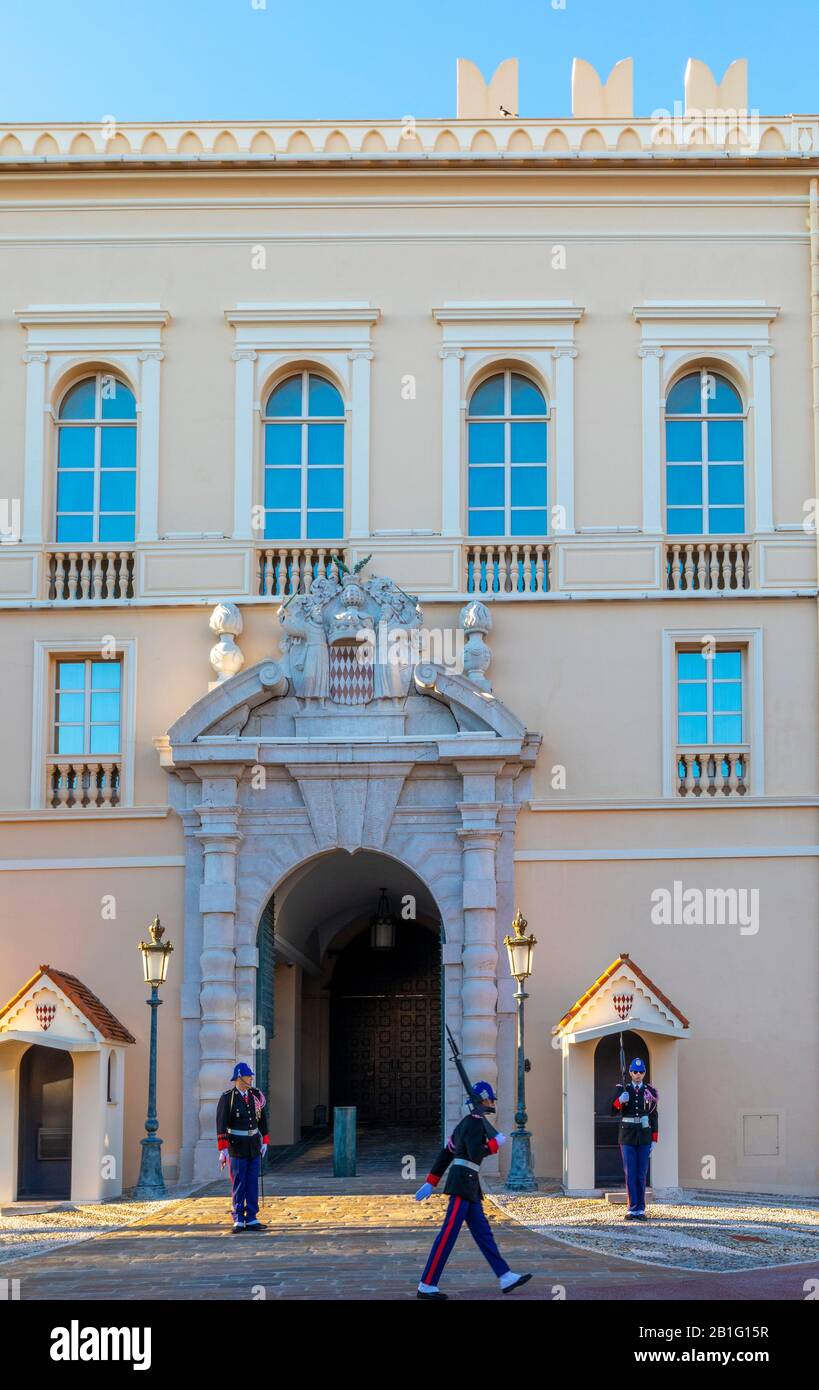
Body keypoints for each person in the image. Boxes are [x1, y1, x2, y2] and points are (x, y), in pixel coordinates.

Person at [414, 1081, 533, 1299]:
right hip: (462, 1183)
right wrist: (494, 1144)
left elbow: (446, 1153)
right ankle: (427, 1283)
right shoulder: (474, 1124)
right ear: (483, 1100)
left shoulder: (464, 1124)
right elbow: (474, 1153)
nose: (491, 1102)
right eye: (489, 1099)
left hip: (468, 1184)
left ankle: (505, 1275)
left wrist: (432, 1181)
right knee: (448, 1233)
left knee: (483, 1233)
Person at [216, 1062, 270, 1233]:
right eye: (248, 1075)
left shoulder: (255, 1095)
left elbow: (262, 1118)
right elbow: (221, 1123)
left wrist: (265, 1140)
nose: (251, 1078)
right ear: (239, 1077)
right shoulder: (228, 1098)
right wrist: (223, 1149)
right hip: (236, 1146)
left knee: (252, 1182)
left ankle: (252, 1217)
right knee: (239, 1183)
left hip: (253, 1144)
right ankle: (238, 1218)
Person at [612, 1057, 658, 1220]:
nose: (638, 1074)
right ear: (630, 1073)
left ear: (644, 1073)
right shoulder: (623, 1089)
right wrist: (619, 1101)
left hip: (644, 1136)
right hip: (627, 1136)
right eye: (635, 1072)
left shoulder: (650, 1091)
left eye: (641, 1072)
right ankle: (632, 1209)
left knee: (641, 1173)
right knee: (630, 1173)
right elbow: (611, 1110)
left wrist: (654, 1139)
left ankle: (641, 1209)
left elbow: (653, 1116)